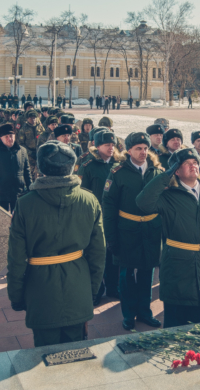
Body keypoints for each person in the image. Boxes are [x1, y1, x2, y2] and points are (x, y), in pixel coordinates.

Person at [7, 141, 106, 348]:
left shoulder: (25, 204)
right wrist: (92, 291)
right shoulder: (89, 200)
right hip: (78, 285)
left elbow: (16, 257)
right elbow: (98, 253)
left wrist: (16, 295)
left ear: (41, 168)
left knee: (44, 356)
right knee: (76, 354)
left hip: (40, 288)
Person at [136, 148, 200, 328]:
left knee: (195, 321)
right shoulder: (168, 195)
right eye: (187, 163)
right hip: (177, 264)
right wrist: (165, 176)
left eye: (195, 163)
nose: (193, 166)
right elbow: (143, 203)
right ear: (176, 170)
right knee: (174, 322)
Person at [103, 132, 164, 330]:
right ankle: (128, 314)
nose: (143, 152)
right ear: (128, 150)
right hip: (127, 230)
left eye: (145, 148)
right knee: (127, 274)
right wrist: (111, 238)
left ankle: (145, 312)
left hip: (150, 230)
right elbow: (109, 206)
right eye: (138, 148)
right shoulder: (117, 173)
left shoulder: (156, 172)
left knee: (147, 273)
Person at [78, 129, 121, 305]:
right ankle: (96, 289)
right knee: (95, 253)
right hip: (94, 216)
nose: (111, 148)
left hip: (115, 216)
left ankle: (113, 286)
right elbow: (80, 193)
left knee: (113, 253)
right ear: (97, 145)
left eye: (113, 144)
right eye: (106, 145)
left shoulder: (119, 164)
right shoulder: (88, 165)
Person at [0, 124, 31, 212]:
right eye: (6, 137)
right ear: (1, 138)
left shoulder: (22, 151)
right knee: (2, 221)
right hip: (1, 193)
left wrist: (29, 187)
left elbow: (27, 171)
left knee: (18, 221)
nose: (9, 139)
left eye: (11, 136)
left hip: (19, 192)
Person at [17, 109, 46, 181]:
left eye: (34, 118)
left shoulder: (41, 128)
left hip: (40, 153)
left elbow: (45, 139)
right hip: (29, 155)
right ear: (27, 119)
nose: (33, 119)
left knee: (40, 173)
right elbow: (20, 143)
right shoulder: (23, 129)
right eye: (31, 118)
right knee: (30, 174)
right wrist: (29, 152)